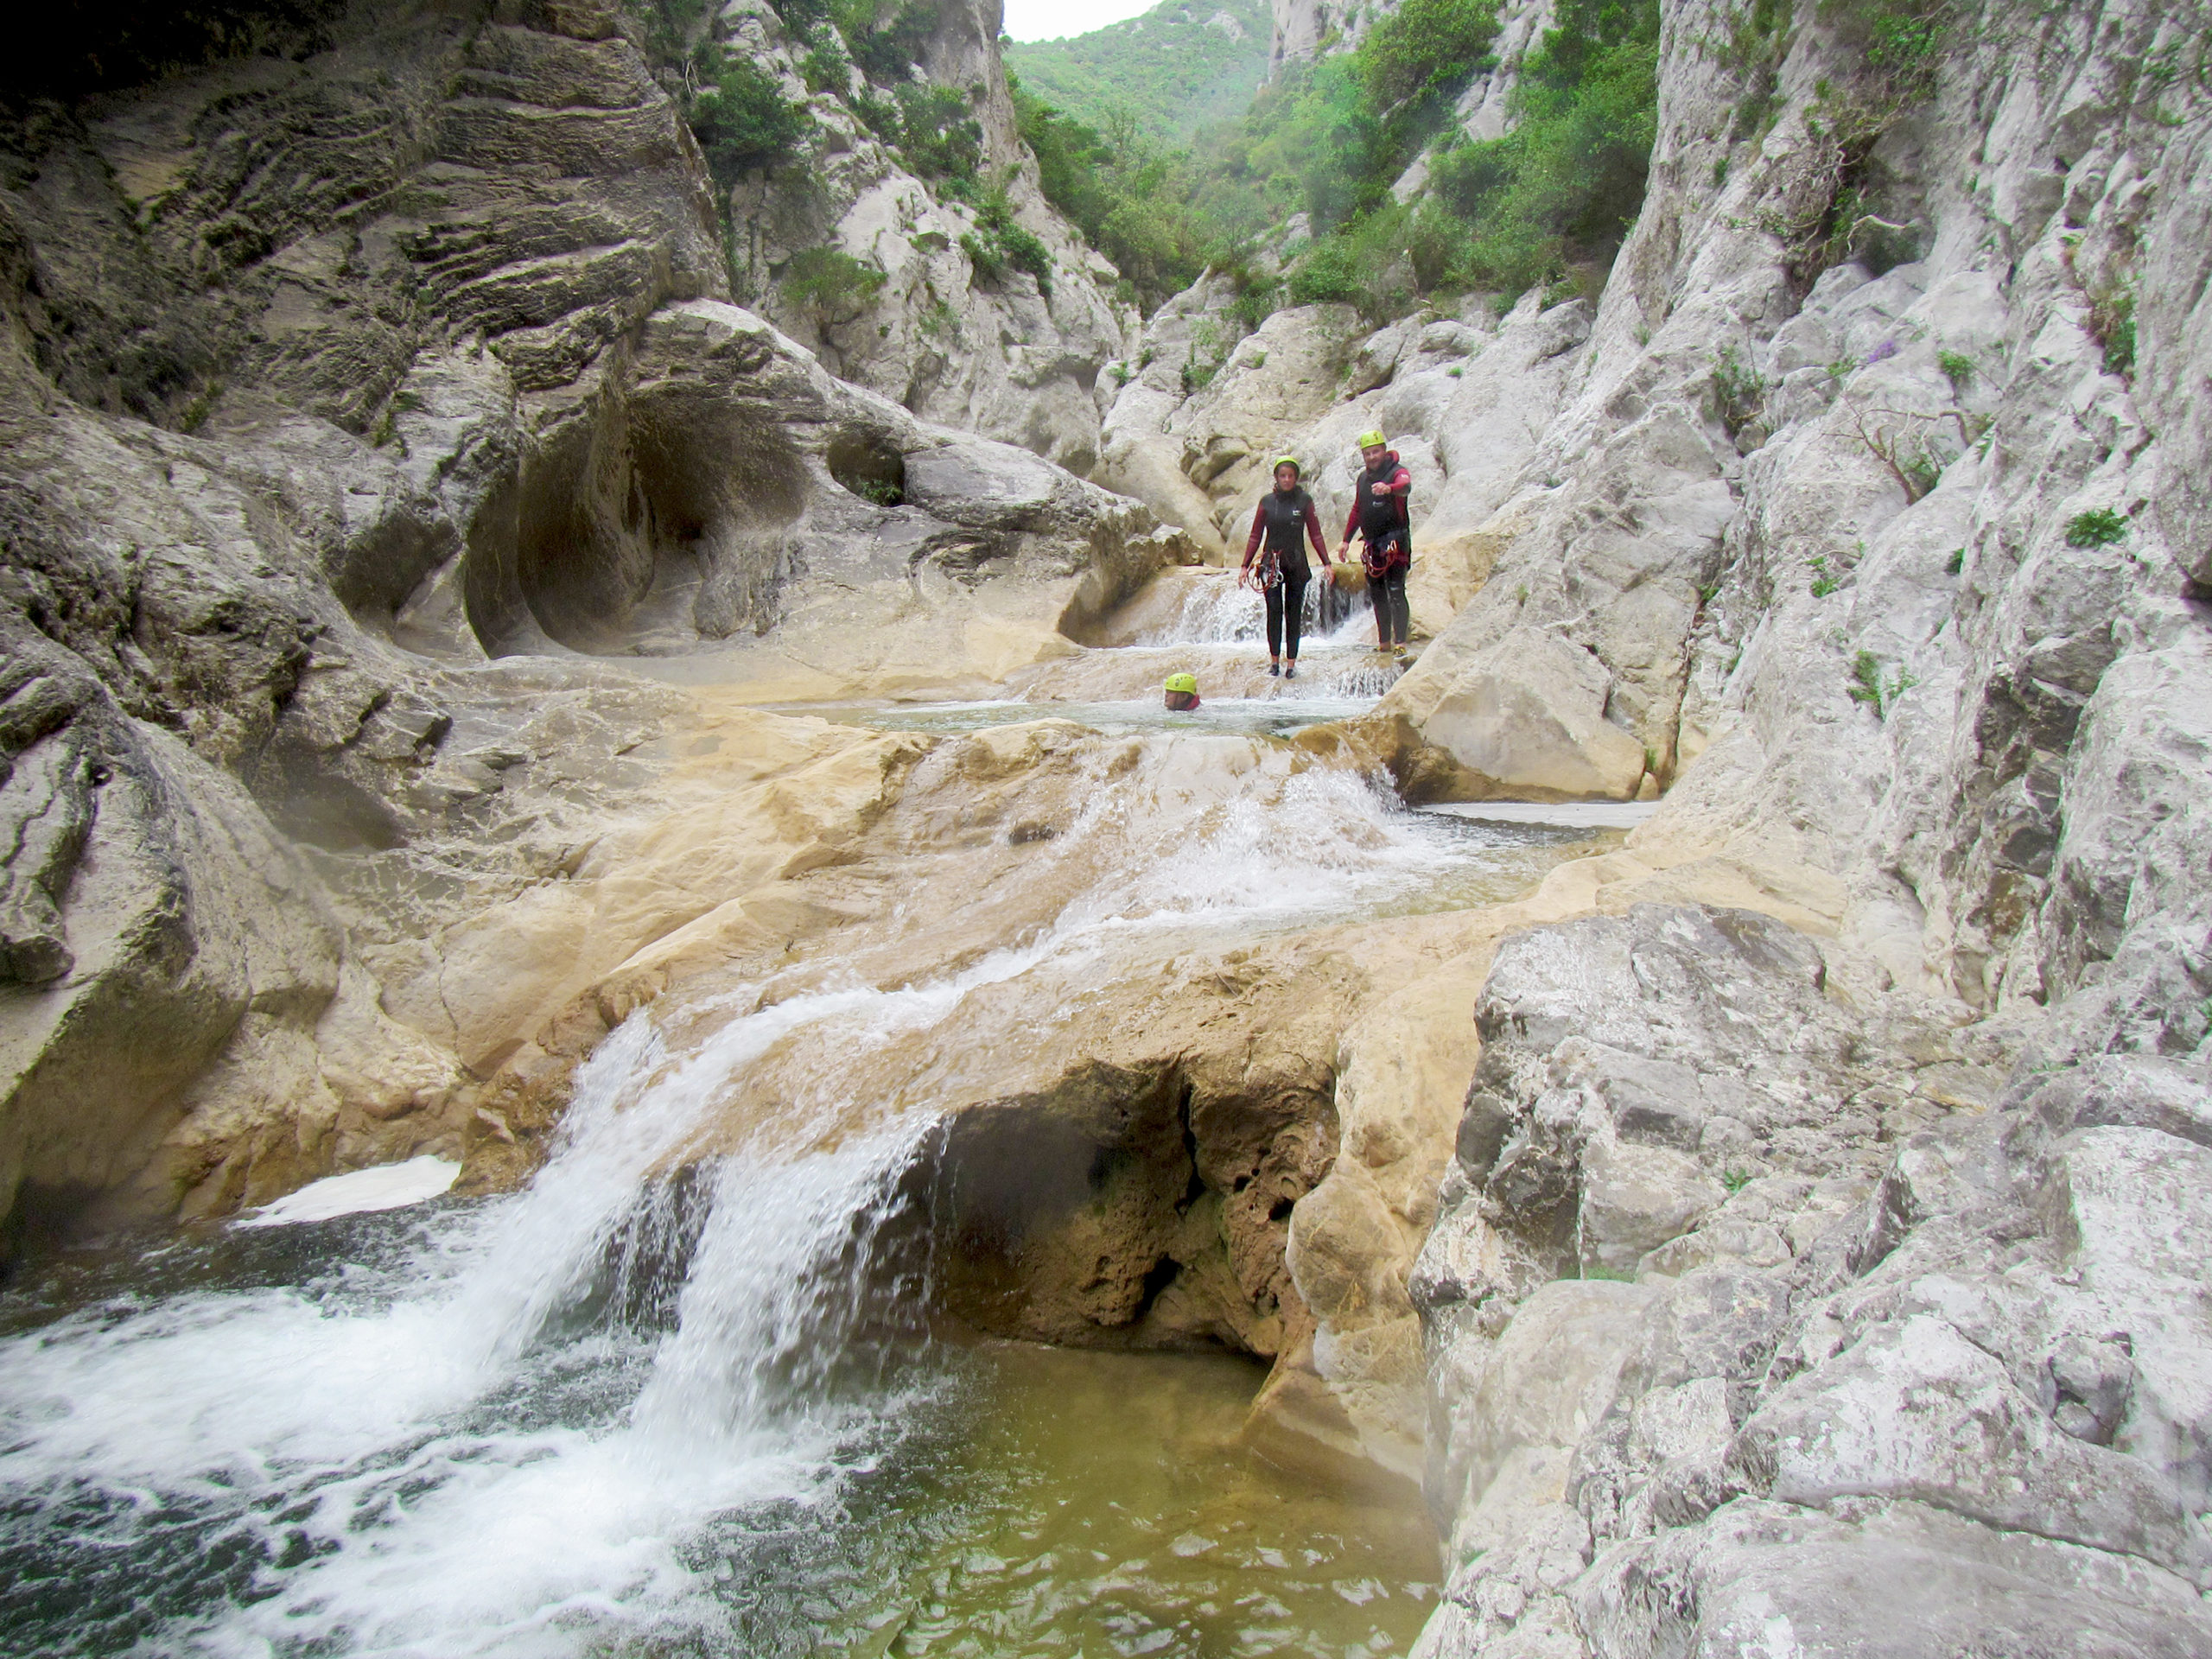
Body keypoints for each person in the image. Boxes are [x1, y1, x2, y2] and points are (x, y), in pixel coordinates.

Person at [1238, 456, 1334, 679]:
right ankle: (1274, 662)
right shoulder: (1267, 502)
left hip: (1296, 563)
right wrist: (1244, 565)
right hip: (1271, 564)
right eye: (1283, 476)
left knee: (1293, 613)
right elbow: (1255, 535)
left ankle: (1291, 664)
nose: (1287, 480)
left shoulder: (1304, 501)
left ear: (1296, 478)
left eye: (1291, 476)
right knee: (1274, 611)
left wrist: (1327, 563)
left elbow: (1316, 533)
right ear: (1276, 478)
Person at [1336, 430, 1413, 660]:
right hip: (1372, 543)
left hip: (1395, 539)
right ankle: (1384, 643)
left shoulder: (1396, 471)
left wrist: (1390, 489)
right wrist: (1346, 540)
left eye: (1376, 451)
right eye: (1367, 453)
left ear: (1384, 450)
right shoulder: (1363, 478)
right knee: (1377, 593)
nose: (1372, 457)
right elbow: (1358, 509)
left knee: (1396, 590)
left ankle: (1400, 642)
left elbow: (1406, 486)